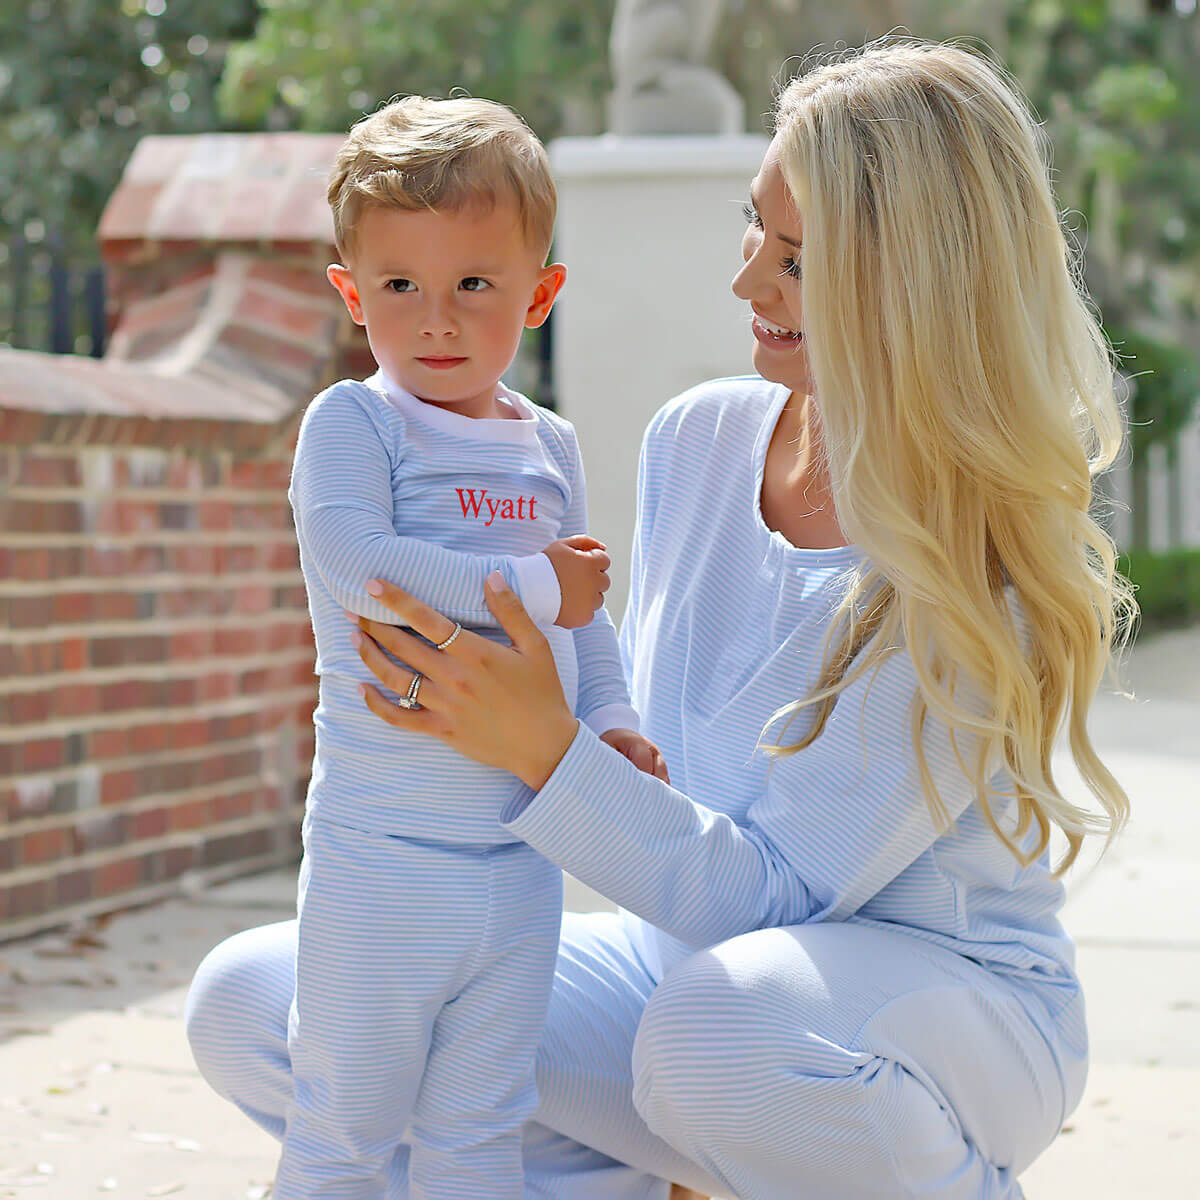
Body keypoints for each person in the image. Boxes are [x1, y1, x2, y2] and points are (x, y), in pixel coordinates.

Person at [187, 40, 1135, 1200]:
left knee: (717, 1040)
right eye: (753, 229)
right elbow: (616, 698)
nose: (748, 282)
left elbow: (781, 897)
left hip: (927, 1012)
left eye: (794, 258)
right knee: (260, 1002)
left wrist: (543, 747)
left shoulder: (969, 565)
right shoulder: (698, 440)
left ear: (909, 279)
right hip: (678, 972)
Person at [267, 95, 667, 1199]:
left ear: (540, 294)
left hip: (519, 866)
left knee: (479, 1135)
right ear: (353, 293)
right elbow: (359, 565)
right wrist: (533, 583)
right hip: (380, 861)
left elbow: (583, 617)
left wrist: (613, 720)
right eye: (401, 287)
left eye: (474, 286)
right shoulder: (358, 425)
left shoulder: (550, 445)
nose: (436, 320)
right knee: (343, 1129)